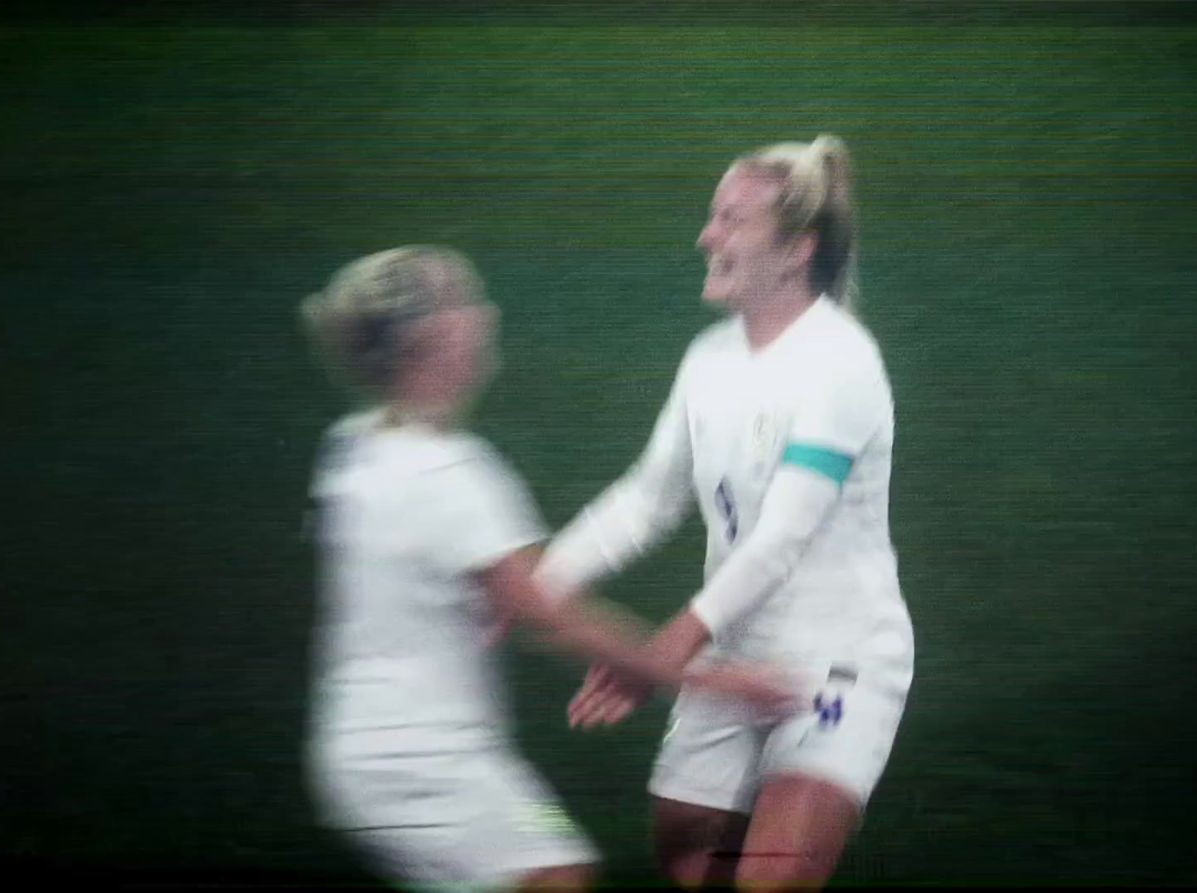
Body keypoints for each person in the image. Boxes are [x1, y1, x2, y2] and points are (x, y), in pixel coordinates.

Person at [298, 245, 803, 893]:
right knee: (555, 874)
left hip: (425, 764)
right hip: (416, 766)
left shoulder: (355, 443)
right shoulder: (452, 474)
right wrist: (717, 680)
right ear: (429, 337)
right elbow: (549, 619)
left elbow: (505, 591)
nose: (486, 314)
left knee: (553, 847)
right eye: (465, 301)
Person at [534, 135, 914, 891]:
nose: (706, 236)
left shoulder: (842, 363)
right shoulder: (709, 357)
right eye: (713, 216)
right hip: (729, 659)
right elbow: (648, 497)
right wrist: (534, 585)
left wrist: (667, 649)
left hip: (838, 662)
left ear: (797, 249)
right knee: (685, 857)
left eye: (731, 220)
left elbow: (782, 537)